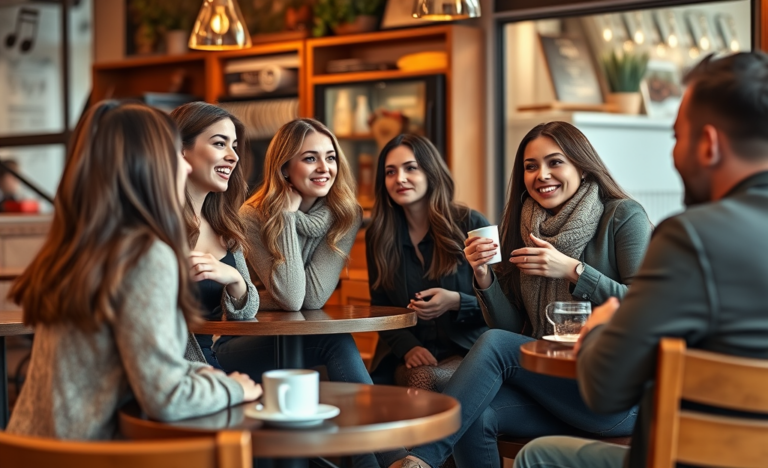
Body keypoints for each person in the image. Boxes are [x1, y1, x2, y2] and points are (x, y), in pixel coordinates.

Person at [513, 52, 768, 468]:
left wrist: (598, 329)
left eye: (676, 137)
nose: (675, 155)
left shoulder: (691, 237)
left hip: (693, 458)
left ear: (708, 144)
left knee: (538, 457)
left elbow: (605, 388)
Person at [400, 121, 653, 468]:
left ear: (581, 164)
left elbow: (648, 307)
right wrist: (483, 274)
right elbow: (512, 323)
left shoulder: (623, 216)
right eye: (531, 166)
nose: (542, 175)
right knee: (476, 416)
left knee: (493, 343)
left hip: (615, 396)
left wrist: (573, 270)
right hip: (554, 388)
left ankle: (421, 458)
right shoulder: (523, 225)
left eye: (555, 162)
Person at [6, 101, 261, 439]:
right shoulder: (145, 254)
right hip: (90, 457)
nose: (184, 170)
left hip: (33, 449)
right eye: (175, 156)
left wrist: (206, 376)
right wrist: (233, 389)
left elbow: (131, 360)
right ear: (148, 165)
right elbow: (166, 397)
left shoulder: (84, 242)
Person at [227, 118, 407, 468]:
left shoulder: (345, 213)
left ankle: (383, 461)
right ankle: (395, 459)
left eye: (331, 157)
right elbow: (295, 296)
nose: (325, 168)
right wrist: (286, 217)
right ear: (284, 167)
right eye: (310, 158)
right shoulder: (251, 216)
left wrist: (266, 295)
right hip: (242, 345)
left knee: (334, 342)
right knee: (336, 342)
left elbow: (312, 299)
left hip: (301, 342)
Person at [367, 134, 489, 390]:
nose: (399, 178)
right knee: (419, 379)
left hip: (469, 351)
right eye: (390, 172)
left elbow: (504, 306)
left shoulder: (474, 224)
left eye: (411, 168)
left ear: (431, 172)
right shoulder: (377, 235)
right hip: (405, 357)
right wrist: (408, 347)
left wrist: (456, 302)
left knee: (426, 381)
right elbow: (380, 307)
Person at [170, 101, 259, 369]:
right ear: (181, 150)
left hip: (210, 358)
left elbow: (246, 312)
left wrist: (233, 278)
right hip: (177, 366)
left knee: (328, 343)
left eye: (234, 146)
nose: (233, 156)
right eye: (220, 143)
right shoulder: (157, 223)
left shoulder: (225, 225)